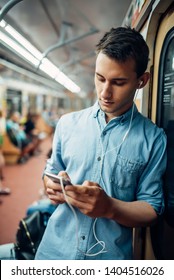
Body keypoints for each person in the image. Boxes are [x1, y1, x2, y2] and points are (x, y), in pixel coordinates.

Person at [35, 26, 167, 260]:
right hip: (53, 254)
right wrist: (52, 186)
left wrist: (110, 208)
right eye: (100, 78)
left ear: (142, 81)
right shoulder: (67, 124)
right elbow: (51, 171)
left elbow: (152, 208)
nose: (105, 92)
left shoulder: (154, 139)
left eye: (118, 82)